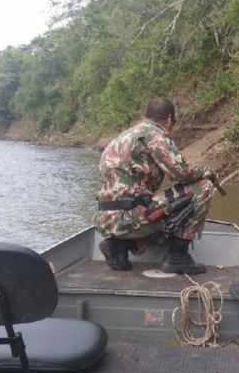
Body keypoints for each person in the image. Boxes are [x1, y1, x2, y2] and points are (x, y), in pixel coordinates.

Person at [93, 96, 217, 274]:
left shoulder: (123, 137)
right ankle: (177, 257)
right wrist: (206, 172)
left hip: (105, 219)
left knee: (151, 204)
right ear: (168, 119)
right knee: (203, 187)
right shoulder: (154, 136)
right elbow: (180, 173)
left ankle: (119, 246)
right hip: (131, 216)